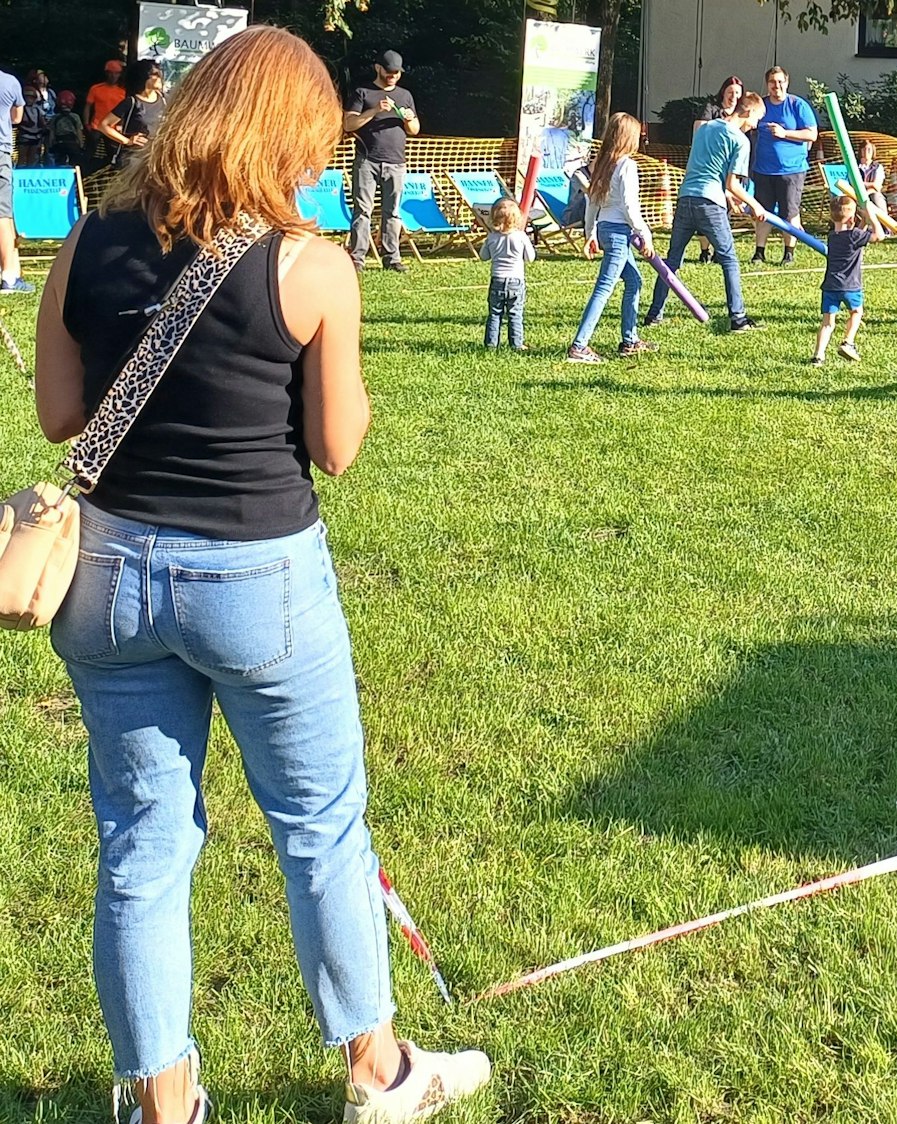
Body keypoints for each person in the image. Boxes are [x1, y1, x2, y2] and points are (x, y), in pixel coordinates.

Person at [30, 27, 491, 1124]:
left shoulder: (86, 244)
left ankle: (163, 1099)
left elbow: (59, 416)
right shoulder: (311, 261)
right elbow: (338, 445)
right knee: (320, 825)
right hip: (256, 577)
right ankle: (379, 1072)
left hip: (110, 575)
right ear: (287, 135)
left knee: (142, 844)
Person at [646, 91, 767, 333]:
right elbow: (732, 183)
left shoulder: (706, 128)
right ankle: (738, 318)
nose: (756, 126)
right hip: (710, 202)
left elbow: (706, 167)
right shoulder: (740, 141)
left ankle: (654, 314)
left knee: (672, 261)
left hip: (686, 197)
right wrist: (755, 204)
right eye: (757, 119)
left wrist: (729, 196)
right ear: (749, 112)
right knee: (729, 259)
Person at [566, 112, 653, 363]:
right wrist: (644, 234)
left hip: (607, 229)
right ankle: (579, 346)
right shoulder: (627, 165)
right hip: (617, 233)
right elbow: (629, 206)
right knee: (604, 288)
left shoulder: (603, 162)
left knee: (634, 282)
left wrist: (590, 233)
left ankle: (630, 340)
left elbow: (592, 201)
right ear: (629, 138)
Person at [341, 50, 419, 273]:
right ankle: (357, 259)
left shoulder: (405, 96)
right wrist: (374, 110)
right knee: (363, 211)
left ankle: (392, 258)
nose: (393, 76)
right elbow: (348, 124)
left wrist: (409, 120)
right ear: (378, 68)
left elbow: (414, 130)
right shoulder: (362, 92)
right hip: (367, 160)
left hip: (396, 162)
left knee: (392, 212)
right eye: (389, 72)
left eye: (397, 73)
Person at [750, 66, 818, 266]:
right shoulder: (760, 105)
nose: (776, 86)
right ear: (767, 84)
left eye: (780, 82)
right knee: (762, 211)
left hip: (792, 170)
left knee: (789, 212)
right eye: (772, 82)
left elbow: (811, 134)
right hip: (762, 169)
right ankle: (759, 252)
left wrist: (785, 133)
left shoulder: (798, 105)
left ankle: (788, 253)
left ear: (787, 83)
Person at [810, 193, 882, 364]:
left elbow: (857, 236)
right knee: (857, 312)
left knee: (827, 323)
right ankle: (848, 342)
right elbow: (879, 236)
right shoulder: (854, 236)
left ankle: (818, 356)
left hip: (830, 286)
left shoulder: (832, 237)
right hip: (851, 286)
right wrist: (871, 216)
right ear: (852, 219)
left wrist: (862, 223)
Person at [690, 75, 745, 264]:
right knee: (706, 211)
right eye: (730, 92)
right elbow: (699, 134)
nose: (733, 97)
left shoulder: (741, 116)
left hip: (729, 168)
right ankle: (704, 250)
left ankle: (718, 251)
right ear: (723, 91)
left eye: (737, 93)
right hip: (709, 168)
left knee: (724, 212)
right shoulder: (710, 109)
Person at [478, 198, 534, 350]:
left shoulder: (492, 237)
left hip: (497, 279)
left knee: (495, 314)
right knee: (515, 314)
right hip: (516, 281)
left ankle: (491, 344)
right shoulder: (521, 237)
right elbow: (530, 257)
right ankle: (516, 344)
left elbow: (483, 257)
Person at [97, 59, 167, 171]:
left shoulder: (165, 100)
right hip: (134, 160)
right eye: (155, 74)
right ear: (144, 77)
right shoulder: (132, 102)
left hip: (158, 158)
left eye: (160, 73)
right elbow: (103, 125)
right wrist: (127, 141)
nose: (160, 77)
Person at [0, 66, 28, 295]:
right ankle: (9, 276)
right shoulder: (9, 82)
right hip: (1, 151)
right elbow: (17, 118)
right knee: (3, 213)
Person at [19, 70, 55, 166]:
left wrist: (47, 127)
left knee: (44, 151)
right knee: (24, 156)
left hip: (44, 128)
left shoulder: (51, 93)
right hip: (27, 134)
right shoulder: (30, 92)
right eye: (41, 75)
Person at [51, 90, 88, 168]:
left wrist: (51, 145)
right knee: (74, 164)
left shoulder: (55, 117)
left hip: (59, 143)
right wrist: (81, 145)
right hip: (73, 143)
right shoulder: (75, 117)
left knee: (59, 164)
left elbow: (52, 133)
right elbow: (79, 132)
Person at [857, 138, 888, 213]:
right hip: (856, 194)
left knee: (876, 197)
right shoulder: (855, 166)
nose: (866, 152)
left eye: (869, 149)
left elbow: (876, 186)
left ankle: (884, 222)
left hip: (872, 193)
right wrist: (870, 185)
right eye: (864, 149)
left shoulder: (878, 167)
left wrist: (862, 185)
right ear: (860, 151)